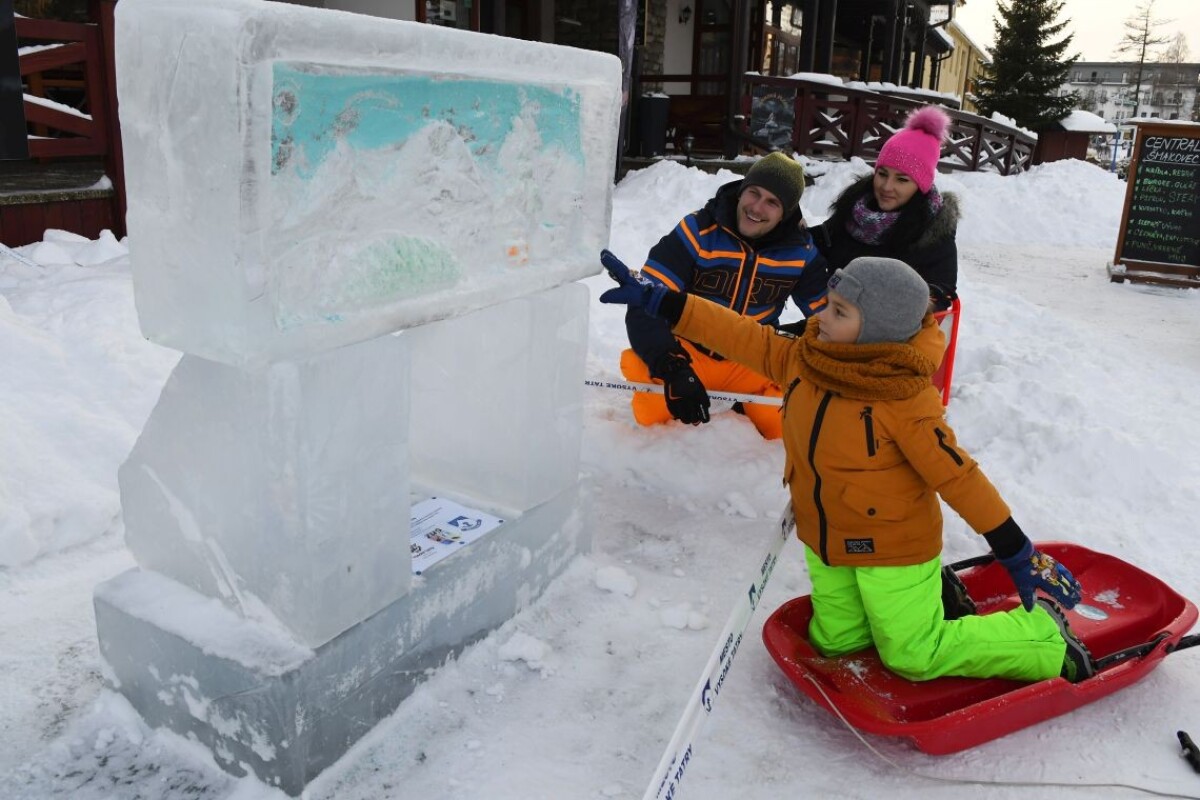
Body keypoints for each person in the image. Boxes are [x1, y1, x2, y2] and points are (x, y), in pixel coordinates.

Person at [598, 250, 1097, 684]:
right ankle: (927, 603)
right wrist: (665, 302)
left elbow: (957, 475)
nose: (821, 316)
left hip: (895, 548)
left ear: (875, 329)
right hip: (827, 540)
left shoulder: (903, 399)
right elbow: (739, 335)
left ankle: (1041, 637)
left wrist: (1013, 548)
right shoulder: (806, 359)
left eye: (838, 311)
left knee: (911, 655)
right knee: (837, 642)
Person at [617, 152, 828, 440]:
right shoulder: (697, 231)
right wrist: (672, 366)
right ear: (742, 191)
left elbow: (828, 318)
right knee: (652, 416)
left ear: (786, 213)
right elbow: (646, 302)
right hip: (690, 353)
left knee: (781, 429)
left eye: (772, 202)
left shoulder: (801, 253)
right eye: (754, 193)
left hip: (753, 358)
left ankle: (746, 400)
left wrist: (785, 341)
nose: (757, 207)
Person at [809, 105, 959, 312]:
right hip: (832, 321)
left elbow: (942, 292)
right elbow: (816, 243)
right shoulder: (854, 210)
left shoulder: (932, 230)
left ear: (920, 186)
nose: (887, 187)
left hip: (890, 336)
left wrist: (897, 306)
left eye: (902, 179)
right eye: (882, 174)